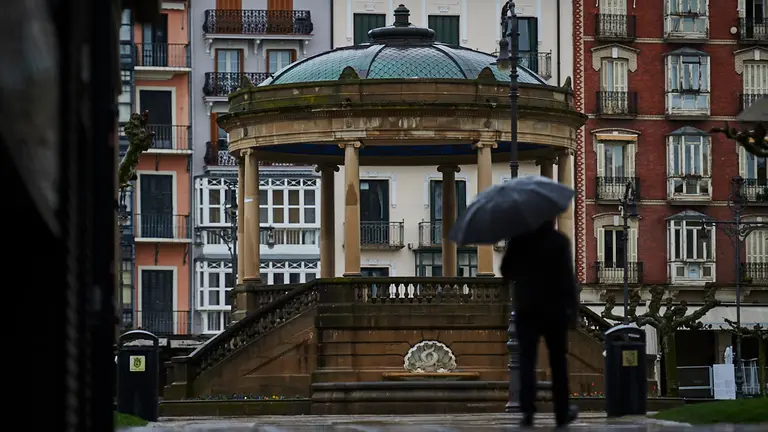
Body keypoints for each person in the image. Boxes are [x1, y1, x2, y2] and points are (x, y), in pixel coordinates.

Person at [500, 219, 579, 428]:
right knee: (558, 363)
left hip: (527, 309)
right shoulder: (559, 241)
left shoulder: (519, 240)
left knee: (527, 361)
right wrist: (574, 312)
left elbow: (506, 270)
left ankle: (527, 412)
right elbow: (568, 279)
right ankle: (561, 412)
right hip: (555, 309)